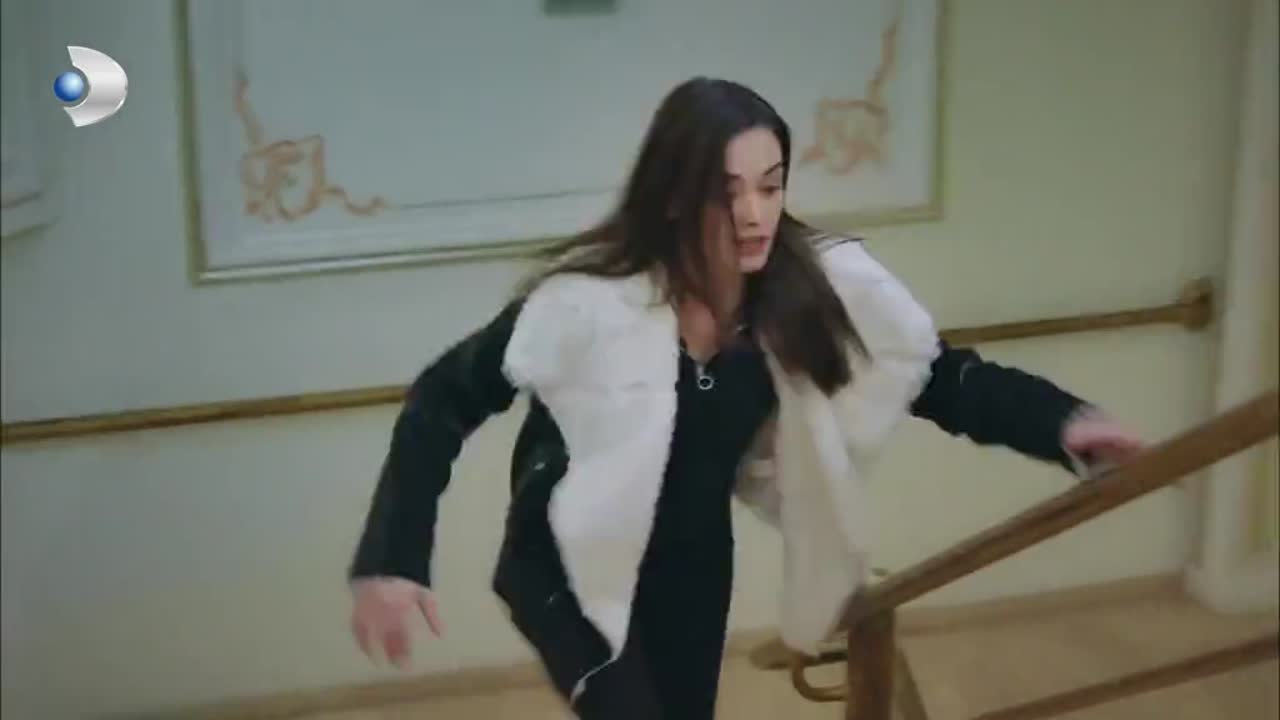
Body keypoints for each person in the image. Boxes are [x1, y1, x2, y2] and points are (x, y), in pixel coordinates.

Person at [346, 77, 1144, 719]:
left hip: (691, 560)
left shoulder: (805, 295)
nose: (755, 214)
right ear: (672, 197)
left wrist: (1065, 424)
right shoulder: (586, 305)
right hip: (563, 558)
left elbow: (935, 374)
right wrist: (391, 558)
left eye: (770, 185)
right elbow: (442, 399)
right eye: (726, 192)